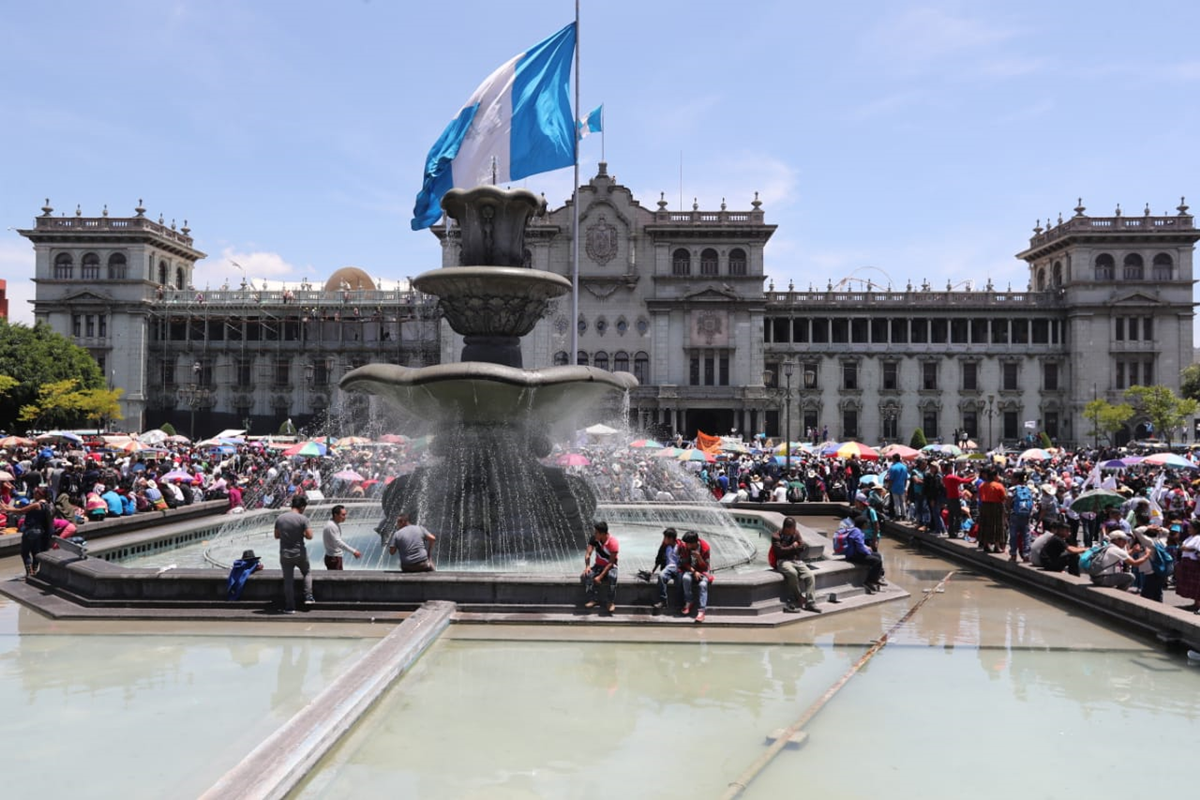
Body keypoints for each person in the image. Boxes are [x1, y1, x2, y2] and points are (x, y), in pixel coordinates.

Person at [273, 493, 315, 613]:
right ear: (302, 506)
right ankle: (308, 597)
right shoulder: (303, 519)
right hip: (299, 552)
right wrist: (300, 533)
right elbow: (310, 536)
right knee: (306, 572)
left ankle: (290, 607)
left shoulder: (280, 518)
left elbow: (276, 536)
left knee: (288, 580)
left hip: (285, 553)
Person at [772, 516, 820, 613]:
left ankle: (811, 603)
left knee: (810, 575)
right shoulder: (776, 536)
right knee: (792, 573)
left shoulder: (796, 533)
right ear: (786, 529)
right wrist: (794, 547)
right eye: (793, 528)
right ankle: (798, 596)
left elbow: (802, 545)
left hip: (796, 560)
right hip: (783, 561)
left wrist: (794, 548)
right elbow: (780, 552)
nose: (795, 530)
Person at [4, 486, 53, 579]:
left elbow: (21, 511)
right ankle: (34, 571)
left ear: (40, 494)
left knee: (25, 552)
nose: (34, 494)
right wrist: (7, 507)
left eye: (35, 493)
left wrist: (7, 509)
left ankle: (29, 573)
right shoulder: (47, 504)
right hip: (40, 532)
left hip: (31, 531)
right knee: (35, 552)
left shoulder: (37, 504)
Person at [581, 520, 619, 613]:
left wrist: (600, 577)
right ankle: (593, 599)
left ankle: (610, 601)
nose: (594, 534)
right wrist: (587, 566)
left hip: (611, 567)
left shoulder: (613, 542)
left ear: (602, 534)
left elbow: (611, 563)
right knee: (587, 575)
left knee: (612, 577)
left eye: (596, 533)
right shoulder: (594, 539)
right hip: (598, 565)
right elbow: (588, 553)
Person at [844, 514, 885, 593]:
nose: (868, 525)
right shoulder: (857, 532)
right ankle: (868, 581)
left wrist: (867, 548)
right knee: (877, 561)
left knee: (878, 555)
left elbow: (859, 544)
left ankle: (876, 578)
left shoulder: (856, 531)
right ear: (863, 524)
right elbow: (860, 548)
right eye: (867, 523)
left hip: (856, 553)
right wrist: (868, 552)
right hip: (854, 555)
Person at [679, 530, 712, 622]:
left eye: (688, 544)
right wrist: (694, 572)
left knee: (703, 585)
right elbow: (684, 563)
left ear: (693, 543)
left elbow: (706, 566)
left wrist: (699, 558)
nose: (686, 545)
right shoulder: (685, 547)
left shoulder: (705, 547)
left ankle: (701, 611)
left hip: (703, 571)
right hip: (691, 570)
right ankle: (689, 602)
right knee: (685, 578)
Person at [976, 467, 1007, 554]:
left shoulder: (982, 485)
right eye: (997, 475)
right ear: (994, 476)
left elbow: (981, 496)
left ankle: (986, 544)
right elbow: (1004, 497)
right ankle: (997, 546)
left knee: (986, 525)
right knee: (997, 526)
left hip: (985, 506)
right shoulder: (998, 485)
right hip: (996, 506)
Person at [321, 504, 361, 570]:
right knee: (337, 579)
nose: (345, 517)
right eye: (343, 515)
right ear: (336, 515)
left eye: (345, 514)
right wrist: (353, 551)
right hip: (334, 558)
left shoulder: (333, 524)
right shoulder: (332, 526)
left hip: (333, 557)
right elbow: (338, 542)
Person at [651, 527, 681, 612]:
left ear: (671, 539)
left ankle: (680, 603)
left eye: (665, 538)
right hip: (668, 568)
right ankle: (663, 600)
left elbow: (686, 558)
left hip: (679, 568)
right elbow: (659, 559)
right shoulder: (664, 546)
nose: (664, 539)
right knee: (661, 576)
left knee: (680, 580)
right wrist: (653, 571)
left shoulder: (681, 546)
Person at [1175, 518, 1200, 612]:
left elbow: (1196, 550)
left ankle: (1198, 605)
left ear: (1196, 529)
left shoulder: (1198, 538)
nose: (1188, 529)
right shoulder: (1190, 537)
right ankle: (1195, 603)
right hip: (1187, 564)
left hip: (1194, 564)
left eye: (1191, 527)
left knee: (1197, 585)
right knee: (1192, 586)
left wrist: (1185, 549)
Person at [885, 454, 909, 520]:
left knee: (896, 502)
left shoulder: (893, 468)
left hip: (895, 486)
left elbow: (891, 479)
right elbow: (906, 478)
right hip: (902, 486)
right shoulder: (904, 467)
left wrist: (889, 487)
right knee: (903, 501)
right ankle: (904, 515)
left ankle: (898, 515)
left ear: (894, 459)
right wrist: (905, 486)